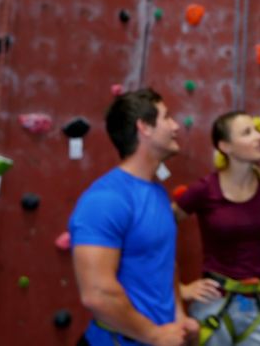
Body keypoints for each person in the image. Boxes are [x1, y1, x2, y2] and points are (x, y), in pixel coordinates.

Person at [69, 88, 199, 346]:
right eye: (167, 117)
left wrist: (179, 318)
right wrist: (154, 334)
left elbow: (165, 264)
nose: (175, 126)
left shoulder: (158, 193)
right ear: (145, 128)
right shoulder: (106, 199)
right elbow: (97, 293)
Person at [174, 111, 260, 346]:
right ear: (225, 146)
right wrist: (181, 289)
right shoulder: (204, 190)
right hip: (213, 303)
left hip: (255, 302)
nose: (259, 137)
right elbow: (157, 227)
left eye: (257, 130)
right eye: (247, 132)